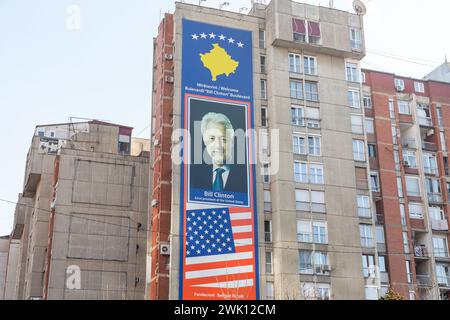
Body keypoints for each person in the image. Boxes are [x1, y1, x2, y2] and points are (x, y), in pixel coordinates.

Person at [190, 112, 247, 193]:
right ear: (205, 141)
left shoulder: (245, 175)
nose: (218, 145)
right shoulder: (194, 174)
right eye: (212, 139)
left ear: (232, 141)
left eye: (223, 139)